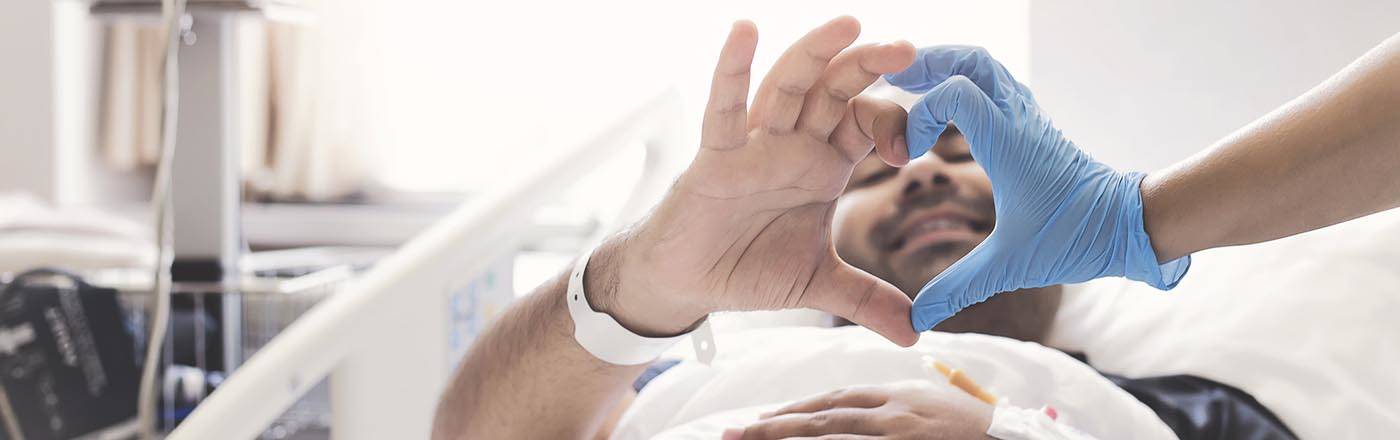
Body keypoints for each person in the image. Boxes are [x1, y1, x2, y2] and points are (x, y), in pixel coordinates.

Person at [430, 16, 1400, 439]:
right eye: (877, 169)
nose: (930, 166)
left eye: (964, 155)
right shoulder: (681, 376)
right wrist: (644, 280)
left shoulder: (1180, 407)